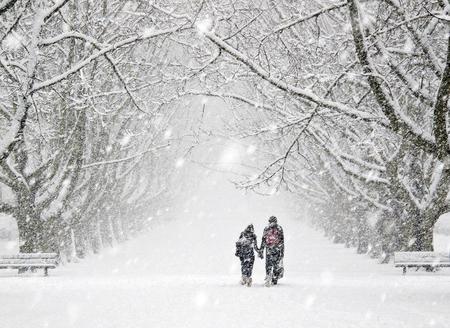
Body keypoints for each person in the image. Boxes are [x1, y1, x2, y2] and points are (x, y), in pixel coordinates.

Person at [259, 216, 284, 287]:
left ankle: (268, 276)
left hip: (269, 249)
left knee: (268, 264)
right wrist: (282, 252)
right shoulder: (279, 228)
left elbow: (263, 240)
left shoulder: (266, 228)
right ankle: (274, 279)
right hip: (277, 249)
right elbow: (282, 241)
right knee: (276, 264)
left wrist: (261, 250)